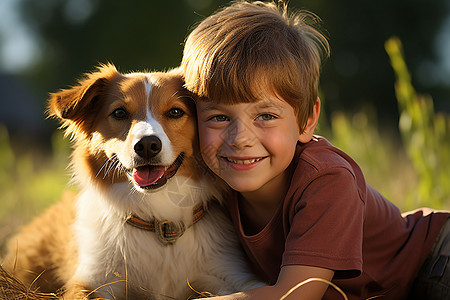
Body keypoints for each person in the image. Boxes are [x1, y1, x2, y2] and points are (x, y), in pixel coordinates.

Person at [180, 1, 450, 299]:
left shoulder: (326, 179)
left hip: (436, 260)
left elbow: (293, 296)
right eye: (219, 117)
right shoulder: (212, 181)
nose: (239, 138)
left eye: (265, 116)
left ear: (307, 121)